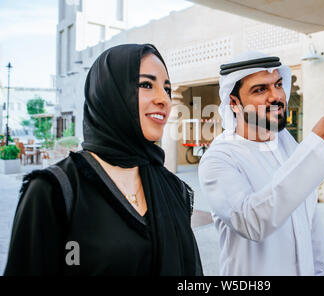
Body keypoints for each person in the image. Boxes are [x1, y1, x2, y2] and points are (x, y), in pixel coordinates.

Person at [4, 44, 203, 276]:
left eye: (167, 89)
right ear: (109, 93)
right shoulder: (54, 191)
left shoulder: (173, 188)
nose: (164, 100)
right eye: (146, 85)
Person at [198, 51, 324, 276]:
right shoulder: (219, 158)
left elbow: (311, 228)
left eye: (278, 84)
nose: (276, 96)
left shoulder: (287, 144)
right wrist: (317, 149)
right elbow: (251, 222)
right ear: (234, 102)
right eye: (260, 89)